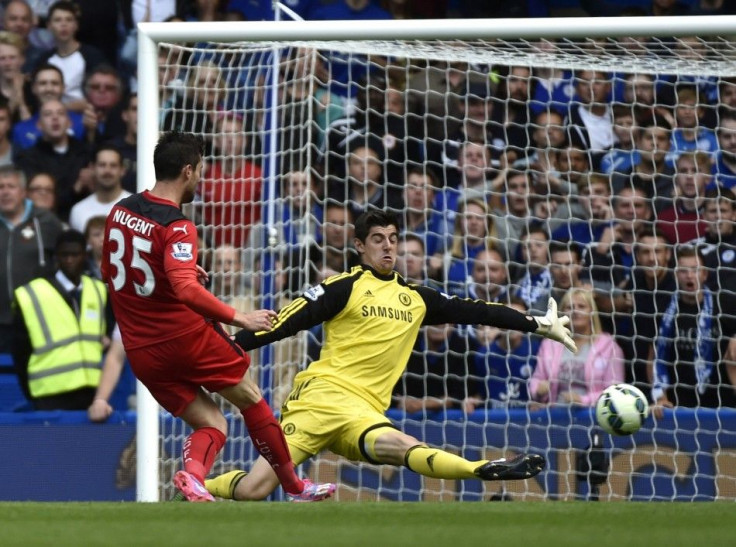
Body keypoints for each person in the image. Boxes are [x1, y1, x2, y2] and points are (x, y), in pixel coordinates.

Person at [205, 209, 576, 501]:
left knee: (404, 447)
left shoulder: (415, 297)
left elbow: (477, 310)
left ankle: (481, 469)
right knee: (255, 490)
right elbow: (285, 323)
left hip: (364, 412)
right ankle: (202, 489)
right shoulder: (343, 286)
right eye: (378, 239)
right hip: (318, 402)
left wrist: (538, 324)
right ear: (359, 246)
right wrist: (230, 348)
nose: (388, 247)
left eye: (393, 239)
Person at [101, 131, 335, 502]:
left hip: (142, 352)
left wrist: (177, 271)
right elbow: (185, 291)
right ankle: (295, 485)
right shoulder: (178, 225)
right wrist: (239, 317)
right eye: (201, 172)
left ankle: (193, 477)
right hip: (184, 338)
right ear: (188, 171)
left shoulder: (120, 211)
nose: (202, 180)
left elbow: (118, 274)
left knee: (213, 423)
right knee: (252, 398)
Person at [12, 228, 113, 410]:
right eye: (64, 255)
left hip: (91, 391)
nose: (69, 260)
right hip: (48, 394)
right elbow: (20, 351)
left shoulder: (98, 290)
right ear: (56, 257)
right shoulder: (32, 294)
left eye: (75, 255)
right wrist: (31, 394)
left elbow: (108, 334)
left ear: (85, 255)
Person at [650, 245, 736, 415]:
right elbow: (654, 357)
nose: (689, 275)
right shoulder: (663, 308)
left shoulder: (725, 303)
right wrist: (660, 397)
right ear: (676, 275)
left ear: (704, 274)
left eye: (695, 269)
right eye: (683, 270)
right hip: (679, 403)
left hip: (722, 400)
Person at [0, 165, 63, 353]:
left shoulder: (46, 222)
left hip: (40, 317)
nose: (5, 192)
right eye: (0, 187)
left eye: (10, 186)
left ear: (23, 192)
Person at [529, 287, 624, 406]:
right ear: (562, 313)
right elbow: (537, 378)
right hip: (555, 415)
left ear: (592, 312)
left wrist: (583, 400)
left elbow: (615, 391)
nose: (575, 311)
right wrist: (538, 390)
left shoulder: (610, 347)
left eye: (581, 306)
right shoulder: (549, 344)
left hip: (593, 415)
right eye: (570, 307)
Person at [68, 145, 130, 233]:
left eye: (113, 165)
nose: (107, 171)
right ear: (92, 168)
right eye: (102, 165)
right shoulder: (78, 211)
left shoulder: (136, 209)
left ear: (122, 170)